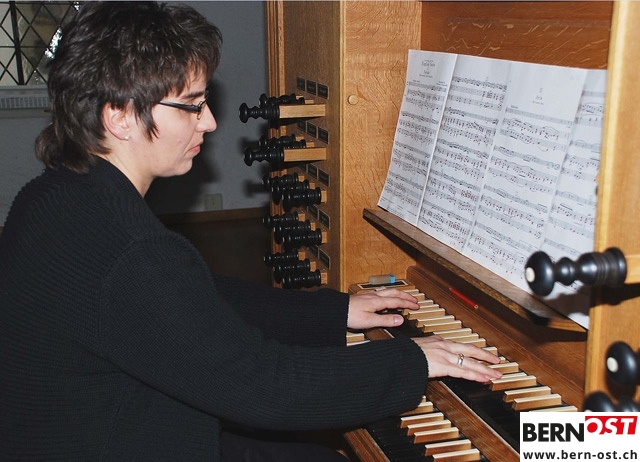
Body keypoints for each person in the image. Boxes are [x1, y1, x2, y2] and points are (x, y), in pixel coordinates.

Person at [0, 2, 501, 461]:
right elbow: (265, 388)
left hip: (112, 426)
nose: (210, 122)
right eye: (192, 105)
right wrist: (411, 360)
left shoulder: (50, 196)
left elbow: (190, 301)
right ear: (121, 116)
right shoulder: (133, 251)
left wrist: (333, 313)